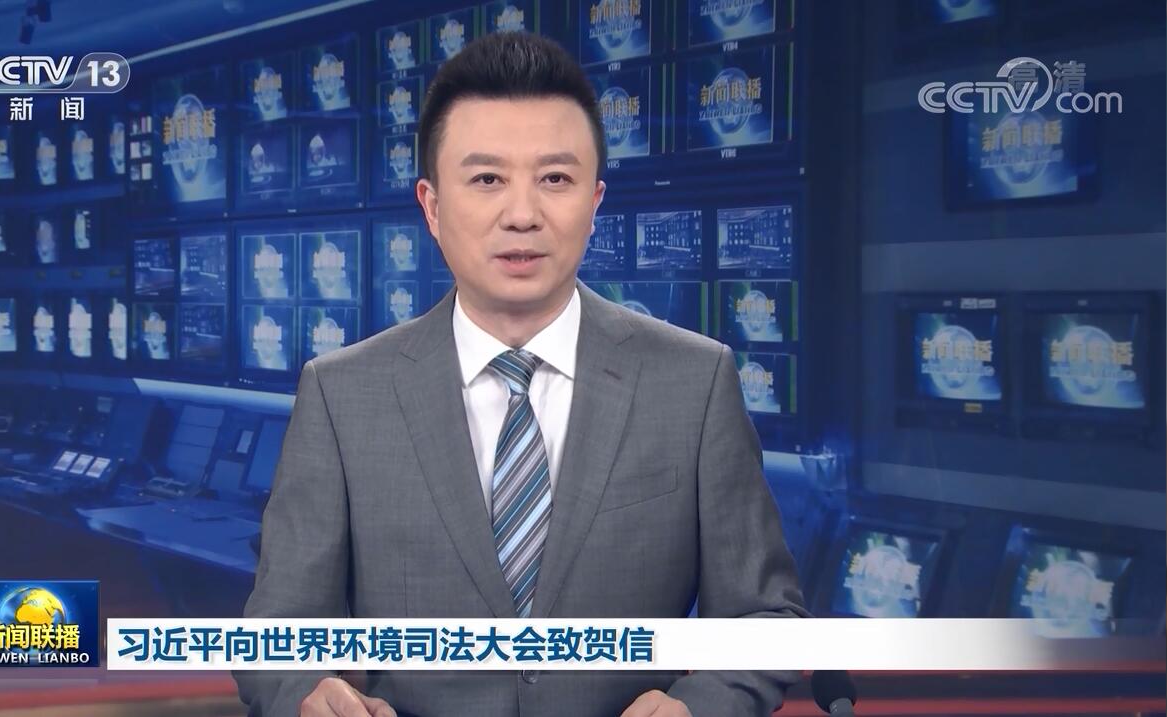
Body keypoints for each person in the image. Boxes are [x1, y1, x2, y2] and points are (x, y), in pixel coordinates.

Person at [236, 31, 808, 717]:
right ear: (431, 206)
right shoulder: (341, 394)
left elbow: (763, 617)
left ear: (595, 202)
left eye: (555, 179)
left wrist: (698, 706)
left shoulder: (693, 381)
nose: (522, 215)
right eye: (487, 180)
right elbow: (275, 634)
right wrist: (304, 691)